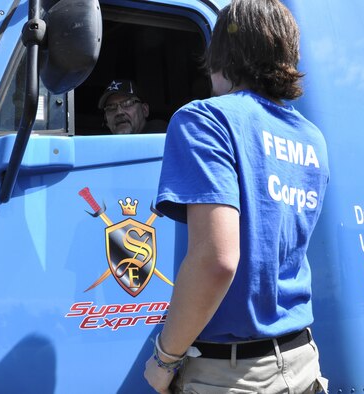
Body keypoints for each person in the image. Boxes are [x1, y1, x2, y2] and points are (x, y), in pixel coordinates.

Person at [143, 0, 330, 393]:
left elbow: (217, 261)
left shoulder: (204, 120)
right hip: (303, 361)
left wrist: (165, 358)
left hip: (232, 376)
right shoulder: (311, 138)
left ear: (220, 55)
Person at [98, 79, 167, 134]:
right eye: (111, 108)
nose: (119, 112)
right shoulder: (101, 147)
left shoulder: (163, 135)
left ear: (144, 110)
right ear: (106, 120)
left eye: (127, 103)